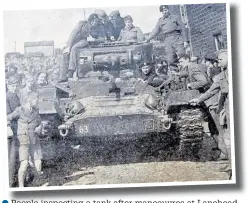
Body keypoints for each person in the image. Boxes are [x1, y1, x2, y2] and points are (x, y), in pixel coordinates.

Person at [189, 50, 231, 177]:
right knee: (228, 138)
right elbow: (211, 91)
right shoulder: (221, 77)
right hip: (228, 110)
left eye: (221, 59)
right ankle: (232, 165)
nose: (218, 62)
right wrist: (198, 99)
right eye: (217, 60)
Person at [7, 93, 43, 187]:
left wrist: (40, 127)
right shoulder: (20, 110)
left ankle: (37, 182)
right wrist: (8, 127)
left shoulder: (36, 111)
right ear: (29, 101)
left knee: (38, 162)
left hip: (34, 139)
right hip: (23, 141)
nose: (37, 101)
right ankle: (21, 186)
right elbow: (8, 117)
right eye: (36, 100)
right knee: (24, 163)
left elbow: (40, 122)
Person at [61, 14, 106, 81]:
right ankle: (63, 77)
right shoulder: (82, 24)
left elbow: (102, 38)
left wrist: (94, 40)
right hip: (76, 40)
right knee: (66, 53)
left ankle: (71, 70)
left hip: (86, 41)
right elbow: (73, 34)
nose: (94, 23)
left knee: (75, 48)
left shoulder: (100, 27)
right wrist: (68, 46)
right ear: (90, 20)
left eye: (96, 21)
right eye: (92, 21)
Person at [6, 77, 21, 187]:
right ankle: (10, 182)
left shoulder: (15, 95)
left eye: (16, 85)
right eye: (12, 85)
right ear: (8, 84)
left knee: (15, 155)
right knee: (11, 156)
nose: (14, 87)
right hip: (10, 128)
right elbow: (8, 116)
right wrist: (18, 111)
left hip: (16, 127)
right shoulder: (6, 97)